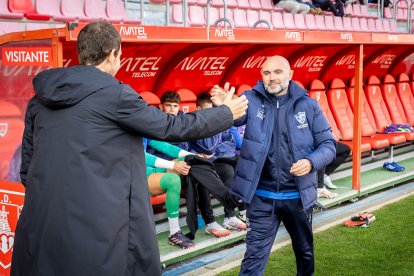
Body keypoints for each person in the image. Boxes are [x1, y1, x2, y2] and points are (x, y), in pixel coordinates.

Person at [11, 21, 248, 276]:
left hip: (44, 224)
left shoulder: (40, 99)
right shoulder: (115, 95)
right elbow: (172, 127)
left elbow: (28, 168)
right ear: (113, 54)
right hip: (97, 229)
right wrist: (225, 113)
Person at [211, 56, 336, 275]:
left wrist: (310, 162)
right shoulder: (250, 99)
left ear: (290, 74)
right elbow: (233, 118)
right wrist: (225, 109)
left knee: (304, 253)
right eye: (267, 73)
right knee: (253, 258)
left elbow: (328, 145)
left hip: (297, 198)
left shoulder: (308, 105)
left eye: (278, 72)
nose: (272, 78)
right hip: (261, 198)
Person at [153, 91, 232, 238]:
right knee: (197, 172)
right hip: (163, 169)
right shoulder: (155, 125)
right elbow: (153, 152)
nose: (171, 109)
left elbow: (202, 147)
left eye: (175, 106)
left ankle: (230, 213)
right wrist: (173, 163)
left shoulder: (183, 123)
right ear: (160, 106)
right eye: (168, 105)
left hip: (184, 165)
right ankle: (210, 221)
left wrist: (195, 156)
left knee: (225, 169)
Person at [189, 93, 247, 231]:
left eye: (212, 111)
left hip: (216, 159)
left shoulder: (218, 122)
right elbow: (208, 148)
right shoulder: (192, 123)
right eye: (208, 111)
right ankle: (210, 222)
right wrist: (197, 154)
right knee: (204, 174)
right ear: (198, 109)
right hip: (191, 163)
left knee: (236, 167)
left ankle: (231, 215)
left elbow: (229, 143)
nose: (211, 115)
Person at [144, 139, 195, 249]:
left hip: (149, 169)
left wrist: (193, 156)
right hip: (133, 175)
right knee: (173, 180)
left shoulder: (140, 126)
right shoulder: (123, 126)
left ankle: (209, 221)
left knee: (189, 161)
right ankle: (174, 232)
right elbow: (139, 156)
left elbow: (165, 146)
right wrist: (172, 165)